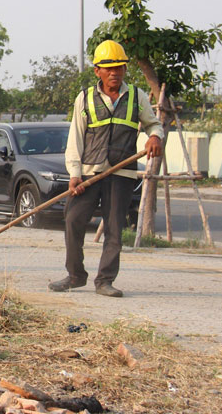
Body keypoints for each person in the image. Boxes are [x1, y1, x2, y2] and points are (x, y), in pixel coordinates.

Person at [49, 40, 164, 297]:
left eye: (119, 67)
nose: (115, 72)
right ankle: (75, 275)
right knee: (73, 220)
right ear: (97, 71)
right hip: (90, 173)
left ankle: (105, 281)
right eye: (109, 68)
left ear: (125, 69)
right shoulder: (85, 98)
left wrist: (155, 137)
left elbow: (154, 125)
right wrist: (74, 174)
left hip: (121, 174)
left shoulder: (137, 96)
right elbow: (75, 139)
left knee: (114, 228)